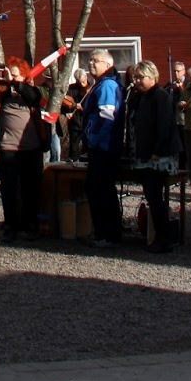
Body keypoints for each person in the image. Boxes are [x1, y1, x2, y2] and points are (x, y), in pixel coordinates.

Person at [0, 60, 44, 242]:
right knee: (9, 191)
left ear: (24, 76)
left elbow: (34, 98)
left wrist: (15, 83)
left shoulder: (31, 91)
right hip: (7, 148)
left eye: (15, 74)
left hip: (30, 148)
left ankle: (31, 225)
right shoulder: (1, 93)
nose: (10, 77)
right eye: (9, 73)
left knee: (30, 190)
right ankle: (10, 227)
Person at [129, 61, 179, 253]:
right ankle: (162, 235)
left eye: (141, 77)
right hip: (145, 154)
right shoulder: (139, 97)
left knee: (155, 196)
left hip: (158, 157)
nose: (137, 81)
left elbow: (164, 125)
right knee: (152, 196)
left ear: (152, 77)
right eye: (135, 77)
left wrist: (157, 151)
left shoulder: (160, 96)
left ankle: (164, 237)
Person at [81, 49, 125, 246]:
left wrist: (95, 140)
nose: (91, 63)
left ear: (107, 65)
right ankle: (102, 232)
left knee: (101, 189)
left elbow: (107, 116)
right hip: (99, 146)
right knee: (96, 188)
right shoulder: (99, 84)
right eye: (90, 60)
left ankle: (108, 234)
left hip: (104, 147)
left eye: (96, 61)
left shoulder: (107, 85)